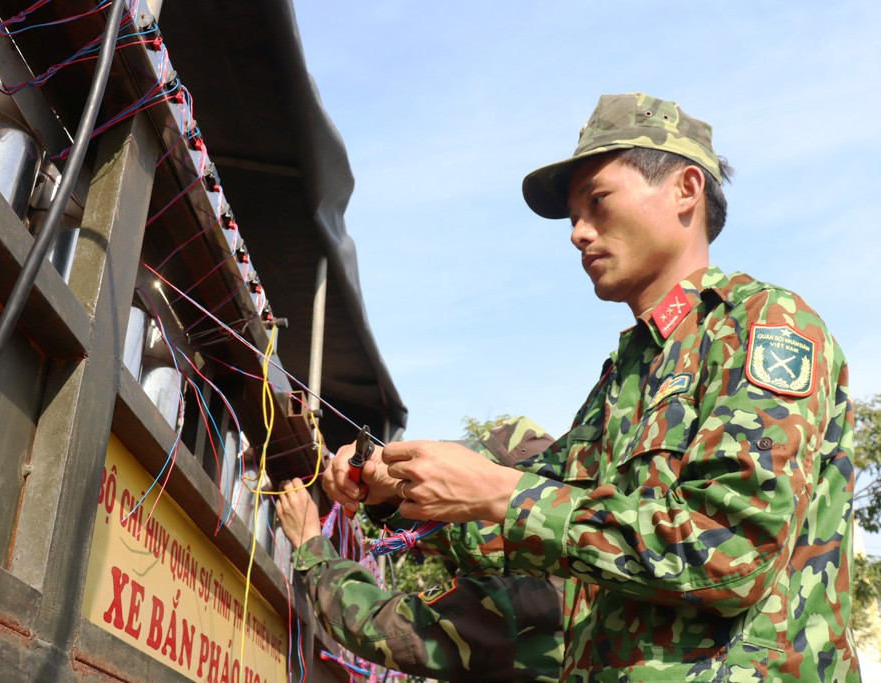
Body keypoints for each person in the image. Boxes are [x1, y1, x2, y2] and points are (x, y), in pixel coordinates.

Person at [328, 93, 859, 681]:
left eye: (597, 202)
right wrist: (396, 493)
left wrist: (502, 491)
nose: (579, 233)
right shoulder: (627, 372)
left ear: (686, 190)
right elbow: (529, 528)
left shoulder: (763, 324)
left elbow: (733, 556)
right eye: (573, 216)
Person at [280, 418, 564, 681]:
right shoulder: (560, 563)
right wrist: (389, 490)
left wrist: (311, 546)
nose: (452, 498)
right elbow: (460, 533)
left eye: (472, 493)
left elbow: (380, 627)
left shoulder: (526, 601)